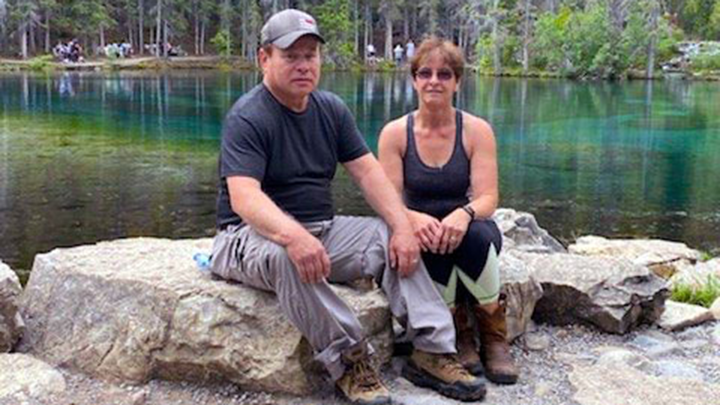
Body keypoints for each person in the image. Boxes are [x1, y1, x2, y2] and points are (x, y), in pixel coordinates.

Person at [210, 9, 486, 405]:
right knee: (287, 254)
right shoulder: (249, 117)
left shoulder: (330, 110)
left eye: (311, 55)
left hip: (322, 227)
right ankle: (351, 362)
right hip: (246, 236)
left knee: (389, 234)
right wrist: (294, 236)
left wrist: (402, 227)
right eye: (291, 56)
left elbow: (370, 174)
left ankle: (432, 350)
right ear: (264, 59)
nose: (304, 65)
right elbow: (244, 197)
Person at [378, 37, 519, 385]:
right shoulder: (395, 134)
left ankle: (493, 335)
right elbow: (388, 199)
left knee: (473, 235)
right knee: (427, 239)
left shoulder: (476, 131)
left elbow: (488, 198)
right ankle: (458, 333)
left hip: (468, 226)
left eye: (444, 74)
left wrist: (464, 214)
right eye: (424, 73)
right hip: (421, 228)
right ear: (413, 80)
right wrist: (412, 219)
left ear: (457, 81)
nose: (433, 81)